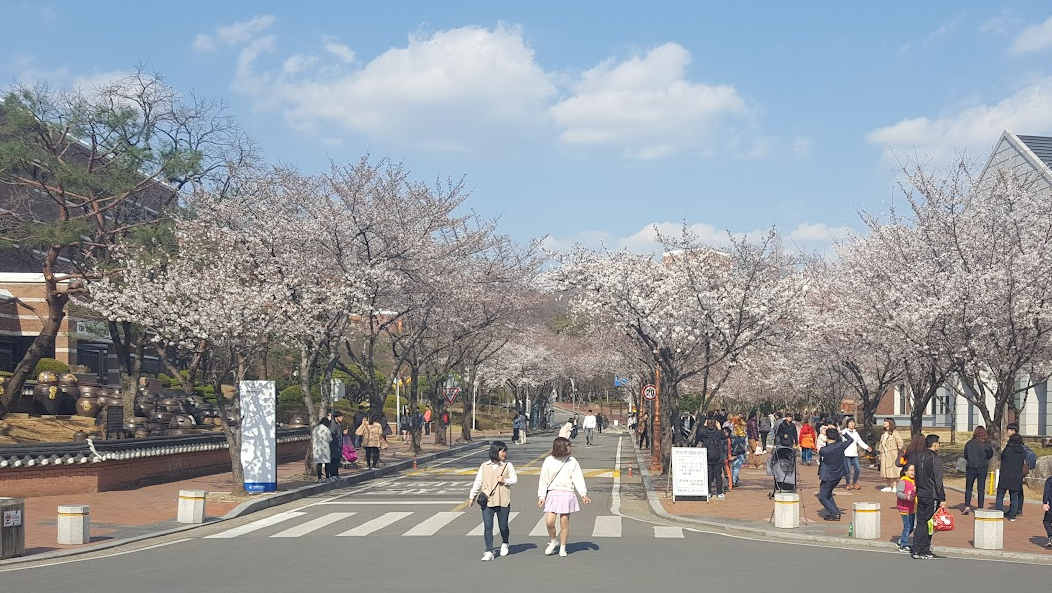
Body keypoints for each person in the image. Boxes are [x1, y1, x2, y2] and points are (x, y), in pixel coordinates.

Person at [537, 436, 590, 557]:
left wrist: (583, 494)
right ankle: (553, 542)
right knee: (549, 522)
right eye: (568, 446)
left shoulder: (572, 461)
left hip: (567, 493)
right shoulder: (549, 460)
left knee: (564, 523)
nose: (570, 448)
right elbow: (543, 478)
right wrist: (541, 496)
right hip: (553, 493)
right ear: (561, 447)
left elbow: (578, 477)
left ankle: (563, 547)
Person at [469, 441, 518, 561]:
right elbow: (478, 482)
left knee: (503, 526)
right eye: (502, 451)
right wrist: (472, 496)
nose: (504, 454)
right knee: (488, 527)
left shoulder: (508, 465)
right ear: (495, 451)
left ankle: (505, 543)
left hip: (503, 501)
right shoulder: (484, 466)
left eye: (505, 451)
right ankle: (489, 551)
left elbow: (514, 479)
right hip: (487, 501)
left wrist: (505, 480)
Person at [912, 434, 946, 560]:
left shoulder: (918, 457)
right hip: (931, 495)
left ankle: (916, 548)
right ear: (934, 444)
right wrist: (942, 498)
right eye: (938, 443)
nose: (939, 446)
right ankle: (925, 549)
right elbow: (938, 481)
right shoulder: (935, 459)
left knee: (920, 522)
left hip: (921, 493)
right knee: (929, 523)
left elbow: (916, 476)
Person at [817, 427, 850, 520]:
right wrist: (842, 432)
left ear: (827, 437)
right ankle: (834, 512)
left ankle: (835, 513)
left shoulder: (825, 450)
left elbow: (819, 449)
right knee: (828, 493)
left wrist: (822, 435)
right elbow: (850, 440)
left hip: (828, 476)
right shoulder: (841, 445)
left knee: (822, 496)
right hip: (838, 475)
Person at [1005, 422, 1037, 515]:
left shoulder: (1018, 444)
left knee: (1015, 490)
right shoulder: (1011, 443)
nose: (1007, 431)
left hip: (1017, 470)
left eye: (1008, 430)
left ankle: (1015, 509)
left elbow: (1031, 455)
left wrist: (1027, 466)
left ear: (1013, 431)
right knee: (1017, 489)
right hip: (1016, 470)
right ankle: (1017, 509)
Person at [962, 425, 993, 514]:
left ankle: (967, 506)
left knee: (969, 487)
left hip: (971, 468)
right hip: (982, 467)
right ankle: (980, 507)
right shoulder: (986, 444)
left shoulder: (969, 443)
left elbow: (965, 455)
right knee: (981, 488)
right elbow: (990, 455)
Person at [996, 433, 1028, 521]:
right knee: (1014, 497)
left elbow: (1002, 457)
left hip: (1005, 476)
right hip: (1017, 476)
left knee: (1000, 495)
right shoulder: (1023, 452)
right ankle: (1012, 516)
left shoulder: (1007, 450)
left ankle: (998, 513)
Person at [697, 418, 726, 499]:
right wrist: (719, 428)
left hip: (707, 456)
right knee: (718, 475)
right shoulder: (718, 432)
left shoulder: (705, 433)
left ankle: (708, 491)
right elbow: (724, 437)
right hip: (718, 457)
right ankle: (719, 492)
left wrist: (704, 426)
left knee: (708, 475)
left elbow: (699, 434)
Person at [841, 418, 871, 490]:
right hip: (846, 454)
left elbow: (860, 442)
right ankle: (848, 483)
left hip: (854, 454)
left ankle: (854, 482)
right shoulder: (843, 432)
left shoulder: (855, 433)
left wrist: (867, 447)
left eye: (853, 422)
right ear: (847, 424)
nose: (852, 424)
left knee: (858, 468)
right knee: (848, 470)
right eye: (850, 423)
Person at [895, 463, 917, 553]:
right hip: (904, 508)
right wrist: (906, 497)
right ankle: (903, 545)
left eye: (914, 470)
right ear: (905, 472)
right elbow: (898, 493)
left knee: (911, 526)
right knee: (907, 526)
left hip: (912, 508)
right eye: (911, 470)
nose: (913, 472)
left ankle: (901, 541)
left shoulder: (915, 481)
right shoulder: (903, 481)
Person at [878, 418, 904, 492]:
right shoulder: (883, 434)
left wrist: (899, 448)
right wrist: (880, 454)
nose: (884, 423)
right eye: (884, 422)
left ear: (890, 423)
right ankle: (888, 486)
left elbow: (900, 442)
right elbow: (881, 444)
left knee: (893, 470)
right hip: (884, 454)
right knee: (886, 470)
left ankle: (895, 486)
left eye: (886, 422)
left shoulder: (894, 432)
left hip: (893, 454)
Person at [328, 411, 344, 481]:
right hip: (334, 445)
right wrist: (336, 444)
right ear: (336, 418)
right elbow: (332, 435)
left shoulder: (338, 424)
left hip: (338, 445)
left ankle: (336, 474)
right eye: (340, 417)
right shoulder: (333, 425)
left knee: (337, 460)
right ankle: (332, 474)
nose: (342, 418)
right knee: (334, 460)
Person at [1042, 472, 1052, 549]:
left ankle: (1051, 536)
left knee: (1047, 521)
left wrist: (1045, 502)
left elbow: (1047, 491)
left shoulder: (1050, 480)